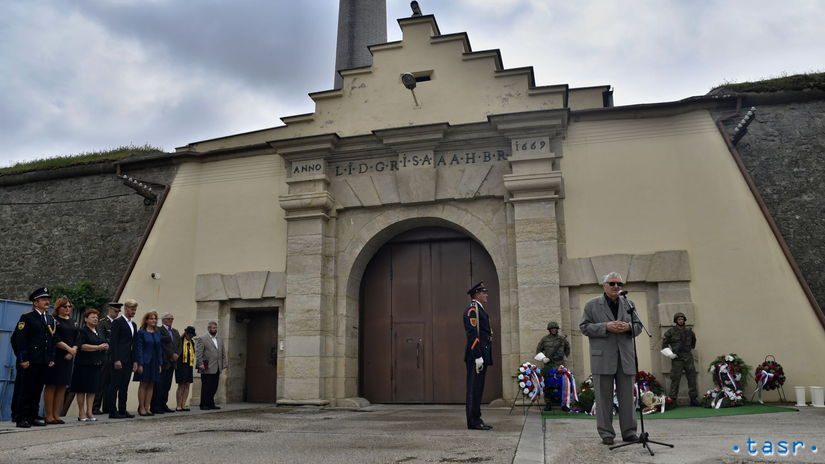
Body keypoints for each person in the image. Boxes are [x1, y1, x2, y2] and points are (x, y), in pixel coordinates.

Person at [579, 272, 642, 445]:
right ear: (604, 285)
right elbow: (584, 327)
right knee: (603, 398)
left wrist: (628, 327)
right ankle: (606, 433)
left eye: (619, 284)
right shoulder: (592, 305)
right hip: (603, 358)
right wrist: (606, 327)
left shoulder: (629, 303)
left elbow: (638, 327)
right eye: (612, 283)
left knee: (628, 398)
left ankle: (629, 432)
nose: (616, 287)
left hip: (625, 358)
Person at [12, 287, 55, 428]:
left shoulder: (49, 318)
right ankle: (21, 417)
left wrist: (50, 358)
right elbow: (19, 339)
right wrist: (22, 358)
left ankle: (32, 416)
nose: (47, 301)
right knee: (25, 390)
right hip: (30, 360)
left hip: (42, 360)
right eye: (43, 299)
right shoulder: (27, 317)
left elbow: (50, 340)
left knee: (37, 390)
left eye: (47, 299)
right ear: (35, 303)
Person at [43, 296, 78, 424]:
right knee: (51, 385)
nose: (68, 308)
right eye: (65, 306)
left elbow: (77, 338)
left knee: (62, 386)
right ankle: (49, 415)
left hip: (68, 358)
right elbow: (54, 338)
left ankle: (56, 414)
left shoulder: (73, 321)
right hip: (56, 356)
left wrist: (73, 350)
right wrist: (69, 349)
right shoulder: (53, 320)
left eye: (69, 306)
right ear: (58, 308)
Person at [464, 282, 493, 430]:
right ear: (477, 294)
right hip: (477, 354)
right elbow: (472, 334)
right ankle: (473, 421)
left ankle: (477, 418)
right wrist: (477, 356)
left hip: (483, 352)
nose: (486, 295)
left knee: (478, 388)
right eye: (484, 292)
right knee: (473, 388)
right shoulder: (472, 310)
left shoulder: (479, 309)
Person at [71, 309, 109, 421]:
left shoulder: (99, 331)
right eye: (93, 317)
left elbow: (102, 342)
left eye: (97, 317)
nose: (96, 319)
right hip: (83, 364)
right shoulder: (82, 331)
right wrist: (98, 347)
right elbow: (82, 346)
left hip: (96, 364)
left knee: (92, 389)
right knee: (82, 389)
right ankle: (81, 412)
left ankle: (90, 411)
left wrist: (105, 346)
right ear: (86, 319)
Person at [107, 299, 138, 419]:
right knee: (114, 385)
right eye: (131, 309)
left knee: (124, 386)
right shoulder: (118, 322)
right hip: (119, 358)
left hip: (129, 359)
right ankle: (112, 411)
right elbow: (114, 342)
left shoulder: (133, 325)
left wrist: (135, 360)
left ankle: (122, 409)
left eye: (135, 309)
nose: (133, 311)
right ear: (125, 309)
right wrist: (116, 359)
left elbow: (134, 344)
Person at [662, 312, 700, 406]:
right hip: (677, 358)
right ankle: (673, 400)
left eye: (682, 319)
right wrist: (670, 354)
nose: (680, 321)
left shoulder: (689, 332)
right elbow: (664, 345)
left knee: (691, 378)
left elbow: (693, 343)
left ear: (684, 320)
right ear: (676, 321)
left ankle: (693, 398)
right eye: (679, 319)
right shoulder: (670, 332)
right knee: (675, 379)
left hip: (688, 357)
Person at [93, 302, 122, 415]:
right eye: (115, 311)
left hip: (115, 357)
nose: (117, 313)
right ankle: (95, 407)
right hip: (105, 356)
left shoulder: (118, 323)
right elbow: (102, 338)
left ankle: (108, 406)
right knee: (101, 382)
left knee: (111, 383)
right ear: (110, 310)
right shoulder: (103, 323)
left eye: (118, 311)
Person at [535, 320, 571, 411]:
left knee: (562, 384)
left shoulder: (562, 339)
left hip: (560, 365)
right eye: (552, 329)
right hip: (549, 365)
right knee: (548, 384)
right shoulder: (544, 339)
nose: (554, 330)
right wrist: (543, 359)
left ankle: (563, 404)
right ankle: (548, 404)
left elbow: (567, 349)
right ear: (549, 330)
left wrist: (563, 357)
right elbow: (538, 351)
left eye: (555, 328)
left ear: (557, 329)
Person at [134, 311, 163, 416]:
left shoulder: (157, 333)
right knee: (144, 384)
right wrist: (140, 363)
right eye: (151, 318)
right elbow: (139, 349)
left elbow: (159, 349)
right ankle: (141, 408)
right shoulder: (141, 332)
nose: (154, 320)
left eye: (155, 319)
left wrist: (160, 363)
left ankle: (147, 407)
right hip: (145, 361)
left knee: (151, 384)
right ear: (146, 320)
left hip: (155, 361)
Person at [151, 313, 181, 414]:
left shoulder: (175, 332)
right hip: (164, 361)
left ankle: (164, 404)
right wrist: (171, 354)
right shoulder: (159, 330)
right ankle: (156, 406)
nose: (170, 320)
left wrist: (177, 354)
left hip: (173, 362)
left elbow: (179, 345)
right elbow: (163, 345)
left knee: (167, 385)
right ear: (163, 320)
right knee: (160, 385)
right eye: (168, 319)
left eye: (172, 319)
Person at [196, 321, 226, 410]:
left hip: (217, 366)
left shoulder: (219, 339)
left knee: (214, 386)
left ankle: (211, 403)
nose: (215, 329)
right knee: (206, 386)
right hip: (207, 366)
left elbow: (223, 352)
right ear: (209, 329)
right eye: (213, 328)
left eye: (216, 328)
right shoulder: (203, 339)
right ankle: (203, 404)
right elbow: (199, 353)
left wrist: (224, 363)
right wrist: (200, 363)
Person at [175, 326, 197, 411]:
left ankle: (183, 404)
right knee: (181, 385)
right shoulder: (180, 341)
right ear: (186, 334)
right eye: (190, 335)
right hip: (181, 365)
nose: (191, 337)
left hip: (189, 365)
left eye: (192, 335)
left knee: (187, 384)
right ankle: (178, 405)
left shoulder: (192, 342)